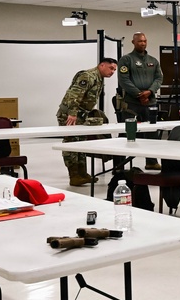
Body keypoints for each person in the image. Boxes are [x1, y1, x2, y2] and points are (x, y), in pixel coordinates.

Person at [57, 58, 117, 186]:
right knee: (71, 144)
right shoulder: (88, 76)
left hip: (81, 115)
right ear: (102, 65)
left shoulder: (99, 78)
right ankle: (74, 176)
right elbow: (74, 94)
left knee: (80, 143)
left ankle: (82, 174)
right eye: (111, 68)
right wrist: (72, 113)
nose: (112, 72)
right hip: (70, 115)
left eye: (114, 70)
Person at [117, 32, 163, 169]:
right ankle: (119, 165)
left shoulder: (153, 60)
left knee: (152, 133)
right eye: (139, 41)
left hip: (150, 102)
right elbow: (124, 80)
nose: (142, 43)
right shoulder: (126, 60)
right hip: (132, 103)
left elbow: (159, 78)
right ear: (133, 42)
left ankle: (151, 162)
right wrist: (139, 94)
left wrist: (150, 91)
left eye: (144, 41)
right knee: (127, 133)